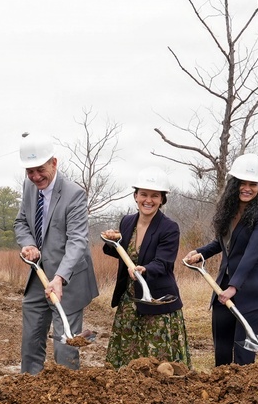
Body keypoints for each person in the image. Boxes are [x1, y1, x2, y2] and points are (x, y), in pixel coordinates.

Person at [13, 134, 98, 374]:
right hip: (38, 277)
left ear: (54, 163)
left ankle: (68, 398)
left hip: (67, 281)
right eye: (30, 171)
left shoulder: (73, 194)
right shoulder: (29, 186)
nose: (35, 177)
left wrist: (60, 278)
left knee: (66, 345)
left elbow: (78, 241)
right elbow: (21, 222)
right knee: (30, 342)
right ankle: (29, 389)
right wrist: (28, 244)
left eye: (40, 170)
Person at [184, 153, 258, 366]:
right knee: (222, 346)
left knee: (243, 350)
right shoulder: (229, 211)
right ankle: (220, 392)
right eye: (242, 183)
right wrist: (200, 252)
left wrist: (234, 286)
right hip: (222, 287)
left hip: (251, 291)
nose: (247, 188)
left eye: (253, 184)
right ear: (234, 185)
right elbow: (222, 243)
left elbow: (252, 251)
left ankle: (243, 395)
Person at [102, 166, 189, 369]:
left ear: (162, 199)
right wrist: (110, 242)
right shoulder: (127, 222)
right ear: (135, 196)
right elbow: (122, 253)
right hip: (129, 301)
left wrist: (144, 270)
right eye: (143, 194)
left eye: (154, 196)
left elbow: (164, 262)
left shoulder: (169, 227)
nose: (148, 200)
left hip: (156, 300)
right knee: (126, 358)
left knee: (159, 362)